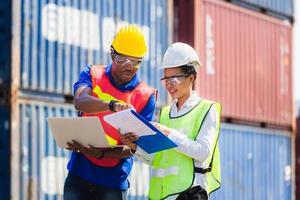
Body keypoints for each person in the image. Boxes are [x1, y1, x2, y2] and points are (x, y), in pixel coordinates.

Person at [64, 24, 157, 200]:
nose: (129, 67)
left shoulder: (146, 96)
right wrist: (112, 105)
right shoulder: (92, 74)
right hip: (79, 174)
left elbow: (136, 149)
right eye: (123, 59)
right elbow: (80, 102)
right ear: (112, 54)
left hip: (113, 182)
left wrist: (101, 154)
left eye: (136, 61)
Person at [121, 42, 222, 200]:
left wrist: (168, 134)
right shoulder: (165, 113)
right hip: (161, 194)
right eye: (166, 78)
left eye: (174, 78)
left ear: (191, 78)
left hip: (189, 193)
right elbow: (157, 159)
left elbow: (203, 152)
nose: (169, 84)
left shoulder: (207, 109)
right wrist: (135, 147)